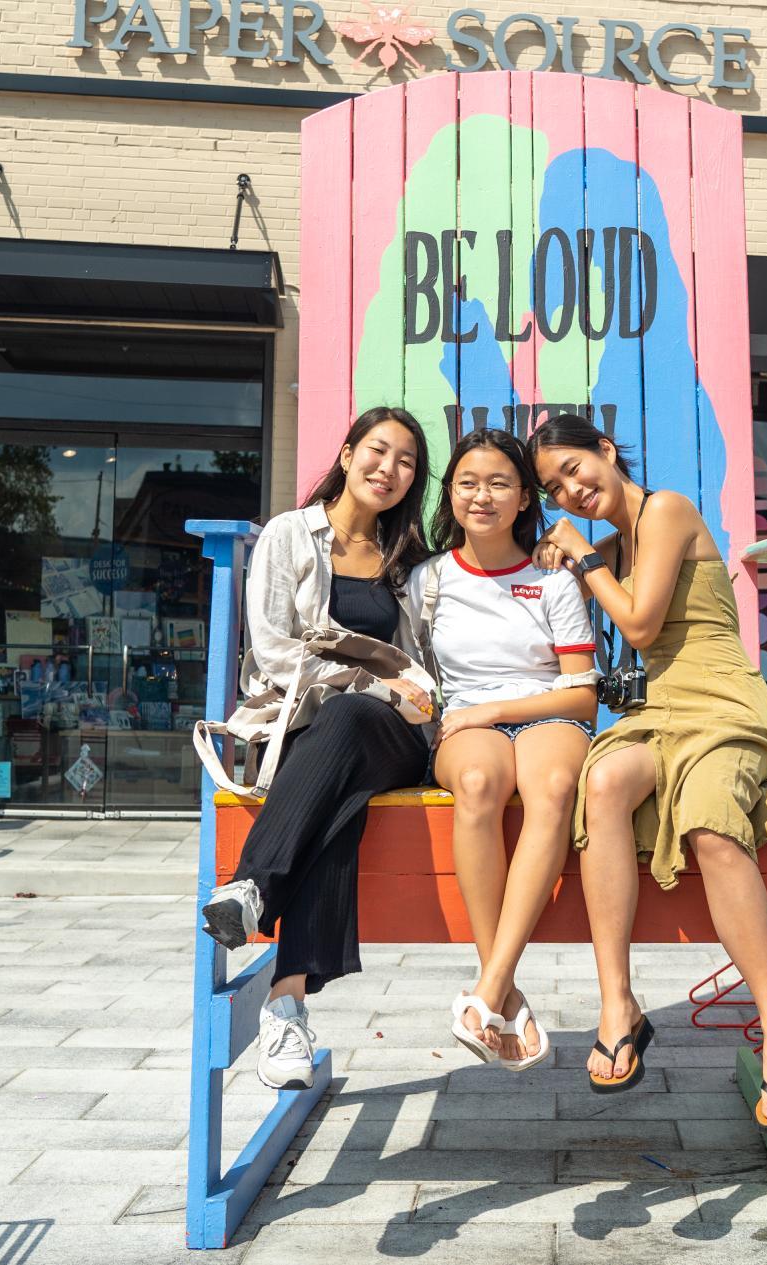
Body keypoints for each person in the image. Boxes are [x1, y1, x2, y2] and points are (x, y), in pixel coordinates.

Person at [528, 414, 767, 1133]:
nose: (570, 489)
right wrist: (564, 556)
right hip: (658, 713)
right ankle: (617, 1002)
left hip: (720, 705)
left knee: (714, 822)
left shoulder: (666, 510)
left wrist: (579, 555)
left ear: (605, 450)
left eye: (574, 467)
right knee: (603, 786)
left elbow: (644, 625)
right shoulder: (615, 541)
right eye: (553, 486)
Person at [199, 406, 437, 1090]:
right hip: (307, 728)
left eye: (406, 462)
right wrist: (363, 680)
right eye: (378, 451)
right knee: (339, 800)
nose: (388, 469)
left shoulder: (406, 559)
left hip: (393, 730)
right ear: (346, 451)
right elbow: (273, 652)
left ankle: (252, 886)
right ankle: (286, 1006)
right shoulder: (288, 536)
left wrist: (393, 693)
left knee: (351, 719)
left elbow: (419, 666)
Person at [413, 429, 599, 1072]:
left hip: (545, 713)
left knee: (550, 790)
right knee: (478, 786)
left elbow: (580, 698)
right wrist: (461, 717)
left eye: (499, 483)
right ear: (450, 494)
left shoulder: (552, 580)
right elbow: (408, 673)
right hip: (465, 728)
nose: (481, 496)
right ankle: (505, 991)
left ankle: (489, 989)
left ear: (524, 498)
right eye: (467, 483)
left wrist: (493, 710)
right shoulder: (428, 579)